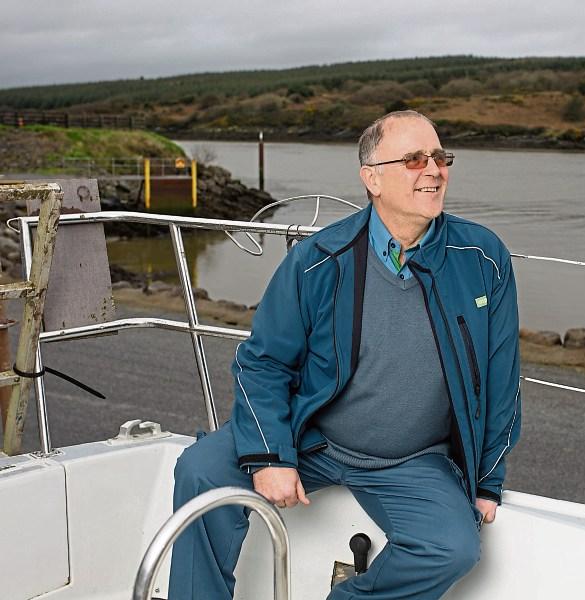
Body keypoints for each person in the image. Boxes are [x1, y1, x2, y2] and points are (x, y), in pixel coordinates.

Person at [168, 110, 521, 599]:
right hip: (313, 436)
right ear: (372, 178)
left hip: (414, 459)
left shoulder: (483, 257)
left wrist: (488, 481)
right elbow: (263, 362)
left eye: (441, 158)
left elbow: (502, 378)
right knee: (200, 470)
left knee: (451, 548)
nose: (435, 170)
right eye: (415, 160)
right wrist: (271, 456)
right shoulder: (319, 259)